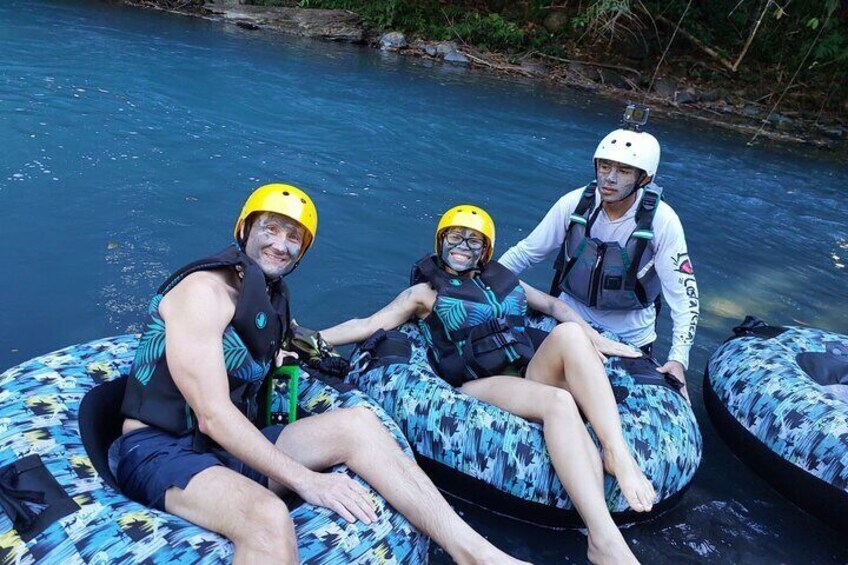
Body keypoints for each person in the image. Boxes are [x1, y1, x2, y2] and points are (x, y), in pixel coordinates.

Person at [113, 184, 526, 565]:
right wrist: (307, 481)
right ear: (244, 229)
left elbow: (293, 349)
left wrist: (373, 325)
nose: (280, 244)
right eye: (270, 229)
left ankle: (476, 552)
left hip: (224, 448)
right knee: (268, 517)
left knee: (359, 425)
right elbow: (212, 415)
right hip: (160, 450)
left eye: (294, 237)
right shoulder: (204, 292)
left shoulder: (268, 295)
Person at [321, 204, 654, 565]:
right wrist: (307, 337)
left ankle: (615, 450)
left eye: (473, 240)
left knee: (571, 334)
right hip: (478, 385)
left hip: (524, 373)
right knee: (559, 402)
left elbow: (555, 307)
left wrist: (595, 337)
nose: (463, 245)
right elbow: (368, 324)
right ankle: (603, 538)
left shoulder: (505, 279)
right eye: (455, 237)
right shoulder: (424, 294)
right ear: (440, 241)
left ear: (487, 250)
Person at [499, 119, 700, 401]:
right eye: (605, 166)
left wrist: (678, 359)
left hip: (630, 337)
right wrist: (483, 286)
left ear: (645, 178)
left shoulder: (662, 221)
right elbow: (526, 253)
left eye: (624, 170)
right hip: (567, 324)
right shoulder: (575, 203)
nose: (610, 178)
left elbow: (684, 297)